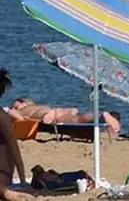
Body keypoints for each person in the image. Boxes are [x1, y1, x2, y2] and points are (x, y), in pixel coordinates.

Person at [0, 69, 35, 200]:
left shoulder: (3, 117)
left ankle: (6, 193)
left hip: (2, 171)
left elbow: (14, 148)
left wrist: (22, 180)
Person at [8, 99, 121, 135]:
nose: (15, 106)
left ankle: (102, 114)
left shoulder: (21, 109)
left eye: (16, 103)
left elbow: (13, 113)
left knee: (78, 119)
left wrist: (21, 119)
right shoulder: (38, 106)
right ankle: (101, 115)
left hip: (52, 116)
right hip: (56, 112)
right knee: (78, 117)